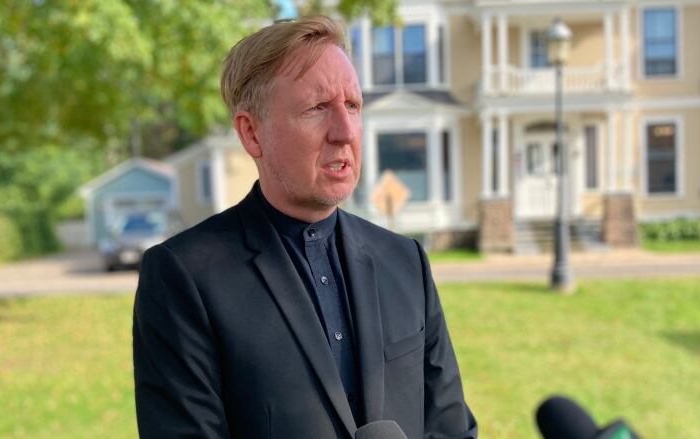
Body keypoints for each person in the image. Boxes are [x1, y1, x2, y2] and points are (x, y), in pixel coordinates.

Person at [133, 15, 477, 439]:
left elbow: (452, 428)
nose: (345, 131)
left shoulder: (405, 260)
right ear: (252, 133)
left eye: (352, 106)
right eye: (317, 108)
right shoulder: (184, 276)